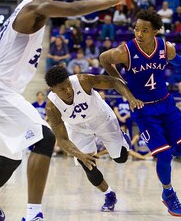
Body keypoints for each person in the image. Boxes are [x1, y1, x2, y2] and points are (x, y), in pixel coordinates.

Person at [0, 0, 129, 220]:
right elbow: (76, 8)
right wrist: (112, 1)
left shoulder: (21, 10)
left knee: (11, 157)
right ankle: (34, 215)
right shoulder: (35, 6)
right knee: (45, 139)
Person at [99, 9, 181, 217]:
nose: (139, 34)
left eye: (144, 30)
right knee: (165, 155)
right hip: (143, 111)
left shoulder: (164, 48)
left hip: (166, 104)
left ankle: (163, 153)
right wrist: (120, 82)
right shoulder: (125, 52)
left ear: (156, 32)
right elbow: (104, 58)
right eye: (136, 29)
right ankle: (168, 192)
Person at [45, 66, 143, 212]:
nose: (68, 91)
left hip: (102, 119)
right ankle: (109, 194)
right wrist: (80, 155)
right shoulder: (51, 108)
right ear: (53, 89)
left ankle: (123, 137)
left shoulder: (83, 81)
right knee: (87, 164)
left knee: (121, 158)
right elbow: (62, 139)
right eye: (62, 89)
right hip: (77, 128)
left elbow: (114, 82)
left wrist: (131, 99)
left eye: (68, 85)